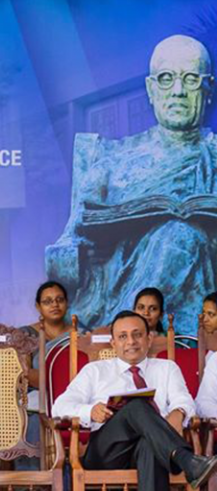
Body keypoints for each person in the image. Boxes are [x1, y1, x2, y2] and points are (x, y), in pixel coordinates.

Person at [46, 35, 217, 334]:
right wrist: (89, 248)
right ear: (151, 89)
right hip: (114, 285)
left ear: (208, 89)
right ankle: (133, 331)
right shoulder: (113, 161)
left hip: (205, 278)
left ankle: (128, 332)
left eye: (191, 79)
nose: (178, 91)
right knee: (181, 235)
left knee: (182, 235)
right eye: (166, 79)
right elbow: (63, 256)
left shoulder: (213, 155)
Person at [52, 310, 217, 491]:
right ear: (113, 343)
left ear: (149, 339)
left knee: (149, 442)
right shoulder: (95, 371)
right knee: (136, 405)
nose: (131, 341)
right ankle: (186, 460)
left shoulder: (167, 368)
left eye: (137, 334)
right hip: (106, 452)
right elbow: (59, 406)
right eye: (123, 336)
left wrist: (179, 412)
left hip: (154, 449)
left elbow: (184, 401)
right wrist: (90, 411)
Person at [21, 280, 72, 391]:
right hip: (36, 395)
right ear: (38, 306)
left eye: (60, 300)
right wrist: (60, 381)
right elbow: (25, 373)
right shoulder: (25, 334)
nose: (55, 304)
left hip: (73, 394)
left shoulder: (79, 335)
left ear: (67, 303)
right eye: (47, 302)